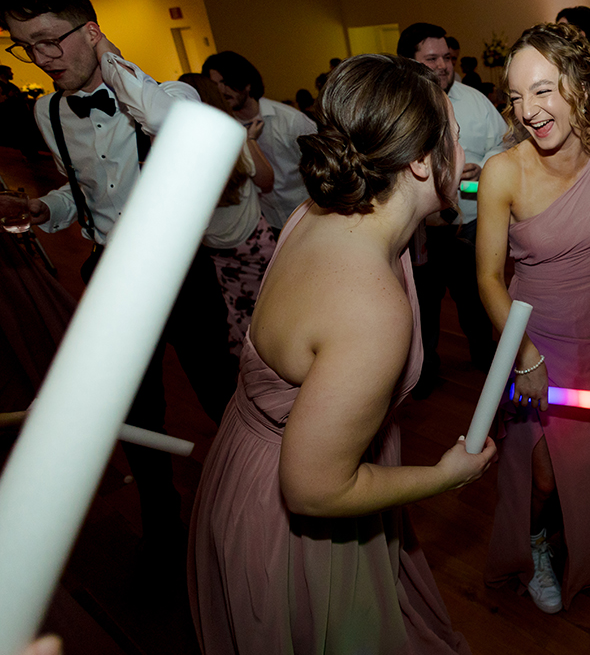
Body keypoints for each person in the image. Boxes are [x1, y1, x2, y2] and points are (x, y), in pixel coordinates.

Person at [189, 54, 496, 654]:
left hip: (248, 459)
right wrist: (443, 477)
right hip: (295, 515)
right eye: (456, 138)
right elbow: (314, 489)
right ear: (419, 160)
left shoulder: (317, 213)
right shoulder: (371, 307)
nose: (463, 155)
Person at [0, 0, 237, 571]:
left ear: (92, 30)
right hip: (110, 273)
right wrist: (44, 208)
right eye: (26, 47)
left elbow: (172, 127)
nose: (43, 58)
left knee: (219, 391)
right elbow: (83, 190)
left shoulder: (172, 96)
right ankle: (162, 531)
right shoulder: (48, 114)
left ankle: (257, 505)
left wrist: (113, 64)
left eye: (51, 40)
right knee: (131, 411)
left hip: (179, 273)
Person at [476, 22, 590, 614]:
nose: (528, 110)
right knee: (542, 473)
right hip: (531, 336)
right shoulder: (503, 171)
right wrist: (525, 356)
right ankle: (533, 545)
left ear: (579, 84)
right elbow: (487, 278)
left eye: (542, 90)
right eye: (516, 96)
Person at [397, 22, 504, 395]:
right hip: (418, 228)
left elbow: (504, 142)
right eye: (432, 58)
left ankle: (485, 355)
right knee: (422, 303)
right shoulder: (398, 106)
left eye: (447, 57)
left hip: (469, 222)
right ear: (409, 61)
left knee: (475, 295)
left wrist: (484, 166)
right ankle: (424, 371)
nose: (443, 65)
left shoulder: (474, 101)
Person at [179, 73, 277, 358]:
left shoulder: (176, 151)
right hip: (254, 244)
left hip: (218, 250)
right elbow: (266, 181)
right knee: (275, 306)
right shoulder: (233, 139)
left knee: (243, 316)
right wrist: (250, 140)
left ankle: (256, 365)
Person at [202, 50, 317, 234]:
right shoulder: (225, 129)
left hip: (309, 216)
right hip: (268, 222)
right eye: (215, 85)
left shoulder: (290, 120)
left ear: (247, 84)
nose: (221, 91)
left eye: (226, 82)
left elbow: (324, 165)